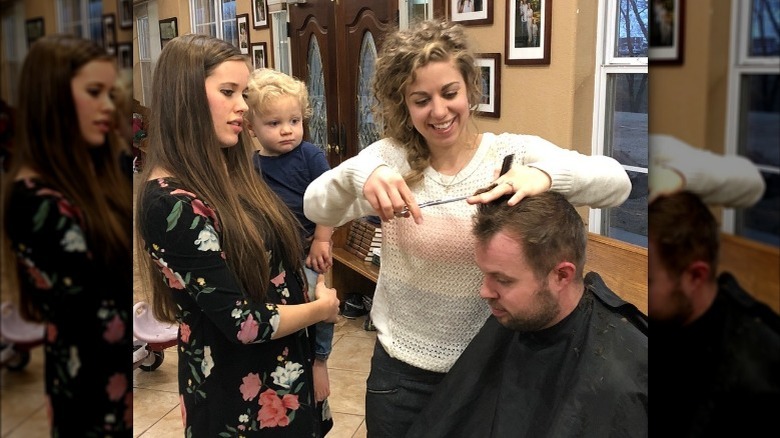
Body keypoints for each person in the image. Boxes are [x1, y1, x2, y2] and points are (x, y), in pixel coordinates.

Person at [303, 19, 632, 437]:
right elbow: (316, 203)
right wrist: (360, 173)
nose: (439, 111)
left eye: (449, 93)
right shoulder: (389, 161)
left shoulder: (512, 154)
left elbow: (618, 182)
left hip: (490, 370)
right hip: (401, 377)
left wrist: (546, 177)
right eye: (421, 100)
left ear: (471, 90)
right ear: (403, 103)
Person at [135, 34, 340, 437]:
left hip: (284, 372)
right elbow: (244, 323)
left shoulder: (230, 171)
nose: (243, 106)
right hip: (240, 393)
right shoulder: (169, 202)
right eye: (229, 91)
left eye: (244, 93)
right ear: (186, 99)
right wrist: (321, 310)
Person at [405, 191, 648, 437]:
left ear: (561, 275)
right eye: (485, 274)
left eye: (502, 280)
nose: (484, 291)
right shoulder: (517, 316)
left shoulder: (622, 375)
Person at [1, 34, 132, 436]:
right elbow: (96, 307)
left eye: (111, 93)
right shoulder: (35, 200)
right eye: (95, 92)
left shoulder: (96, 171)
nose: (107, 107)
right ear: (53, 99)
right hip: (90, 382)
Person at [648, 136, 778, 436]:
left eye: (650, 280)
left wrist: (678, 176)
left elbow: (750, 182)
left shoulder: (757, 373)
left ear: (695, 276)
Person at [244, 68, 336, 408]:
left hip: (307, 252)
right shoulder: (250, 165)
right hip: (269, 260)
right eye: (274, 123)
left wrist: (322, 240)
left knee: (319, 303)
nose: (287, 130)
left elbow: (330, 200)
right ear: (251, 128)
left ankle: (320, 359)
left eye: (294, 121)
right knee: (279, 314)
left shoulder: (309, 155)